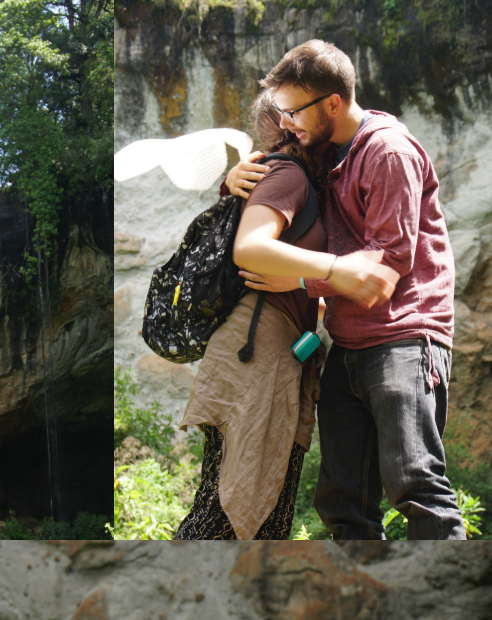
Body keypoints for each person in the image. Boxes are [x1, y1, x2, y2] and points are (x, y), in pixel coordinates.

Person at [226, 39, 466, 539]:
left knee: (416, 486)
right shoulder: (326, 151)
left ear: (332, 103)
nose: (287, 121)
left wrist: (298, 279)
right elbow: (283, 189)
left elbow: (386, 267)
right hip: (349, 344)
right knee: (342, 502)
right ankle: (367, 612)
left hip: (405, 337)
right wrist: (234, 179)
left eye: (293, 110)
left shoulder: (387, 150)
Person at [173, 92, 330, 539]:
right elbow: (253, 251)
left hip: (272, 349)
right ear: (289, 123)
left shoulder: (294, 177)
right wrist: (321, 276)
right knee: (227, 510)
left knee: (260, 509)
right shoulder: (286, 173)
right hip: (256, 350)